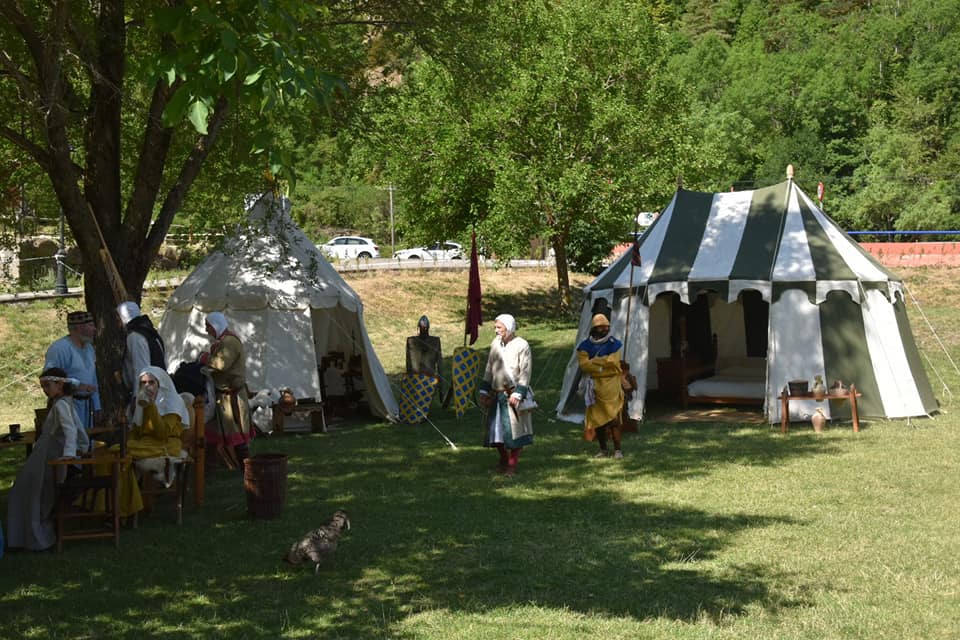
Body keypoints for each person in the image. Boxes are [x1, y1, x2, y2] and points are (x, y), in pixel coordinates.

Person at [5, 368, 90, 551]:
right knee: (26, 492)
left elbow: (71, 429)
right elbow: (78, 431)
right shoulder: (63, 403)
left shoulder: (61, 405)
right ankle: (28, 535)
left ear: (60, 384)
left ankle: (36, 536)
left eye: (47, 385)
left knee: (36, 495)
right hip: (44, 453)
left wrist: (69, 453)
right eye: (43, 386)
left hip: (49, 456)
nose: (45, 389)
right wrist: (82, 447)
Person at [478, 314, 534, 477]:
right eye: (495, 327)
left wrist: (518, 393)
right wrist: (484, 389)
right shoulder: (495, 344)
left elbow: (525, 371)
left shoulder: (522, 345)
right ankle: (503, 459)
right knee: (496, 433)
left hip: (512, 395)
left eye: (499, 327)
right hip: (497, 395)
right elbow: (489, 367)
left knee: (514, 434)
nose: (496, 331)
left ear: (508, 328)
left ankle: (511, 465)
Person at [200, 312, 253, 468]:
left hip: (232, 396)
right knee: (214, 430)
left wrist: (204, 358)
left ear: (215, 325)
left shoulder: (229, 341)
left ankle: (246, 468)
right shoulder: (223, 341)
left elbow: (221, 364)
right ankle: (214, 465)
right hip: (224, 396)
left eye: (208, 326)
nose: (206, 330)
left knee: (237, 432)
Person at [577, 313, 626, 459]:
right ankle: (603, 449)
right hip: (595, 386)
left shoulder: (614, 344)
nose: (604, 329)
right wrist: (601, 363)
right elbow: (584, 365)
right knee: (598, 420)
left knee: (614, 419)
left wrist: (595, 362)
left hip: (611, 384)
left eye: (606, 326)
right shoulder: (585, 346)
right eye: (601, 327)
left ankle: (618, 450)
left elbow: (613, 363)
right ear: (594, 328)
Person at [43, 310, 101, 431]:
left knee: (86, 444)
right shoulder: (60, 349)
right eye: (91, 325)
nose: (94, 329)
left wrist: (96, 406)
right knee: (69, 442)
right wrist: (78, 385)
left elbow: (93, 377)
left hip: (86, 406)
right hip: (67, 405)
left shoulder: (89, 348)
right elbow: (48, 379)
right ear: (79, 327)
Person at [117, 301, 167, 404]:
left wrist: (137, 398)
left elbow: (141, 369)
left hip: (149, 395)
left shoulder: (135, 336)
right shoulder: (151, 333)